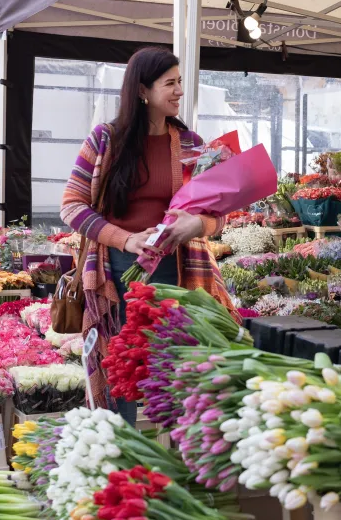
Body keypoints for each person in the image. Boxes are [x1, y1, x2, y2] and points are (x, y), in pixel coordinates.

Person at [60, 47, 235, 423]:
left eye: (179, 82)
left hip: (180, 271)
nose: (179, 92)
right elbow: (72, 206)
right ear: (143, 89)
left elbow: (221, 213)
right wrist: (126, 239)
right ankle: (118, 445)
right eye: (169, 83)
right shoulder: (105, 140)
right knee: (121, 362)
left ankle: (174, 447)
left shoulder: (191, 144)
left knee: (176, 362)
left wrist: (199, 226)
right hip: (117, 272)